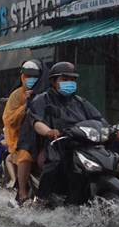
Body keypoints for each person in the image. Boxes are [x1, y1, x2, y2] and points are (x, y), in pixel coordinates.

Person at [28, 61, 108, 205]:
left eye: (72, 80)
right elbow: (37, 122)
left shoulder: (80, 102)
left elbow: (99, 119)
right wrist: (49, 131)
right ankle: (43, 200)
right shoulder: (42, 99)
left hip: (82, 145)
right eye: (64, 79)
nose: (69, 83)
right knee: (54, 165)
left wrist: (111, 130)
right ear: (53, 81)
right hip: (54, 145)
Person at [2, 59, 47, 205]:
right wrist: (25, 107)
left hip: (45, 135)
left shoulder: (47, 94)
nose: (30, 79)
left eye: (34, 76)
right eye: (27, 76)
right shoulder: (17, 95)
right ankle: (21, 191)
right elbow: (8, 120)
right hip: (22, 138)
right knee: (25, 154)